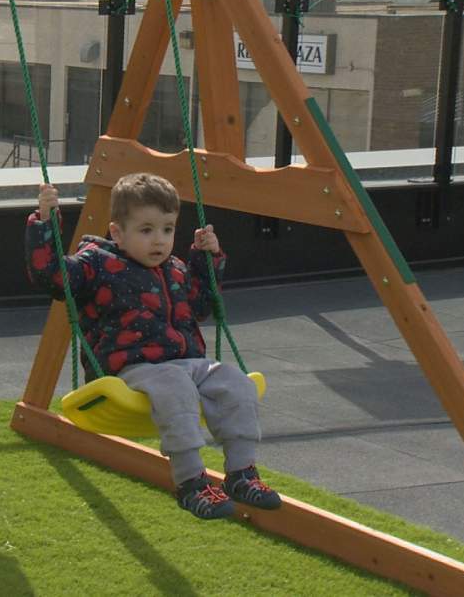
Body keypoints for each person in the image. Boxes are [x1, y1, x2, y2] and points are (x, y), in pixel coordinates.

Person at [25, 173, 282, 519]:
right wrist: (44, 223)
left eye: (167, 229)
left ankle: (242, 473)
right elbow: (54, 277)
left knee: (236, 382)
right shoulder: (98, 264)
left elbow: (201, 307)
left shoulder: (175, 269)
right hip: (131, 368)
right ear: (117, 232)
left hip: (187, 363)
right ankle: (191, 482)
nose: (158, 240)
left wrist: (208, 261)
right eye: (146, 230)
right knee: (175, 386)